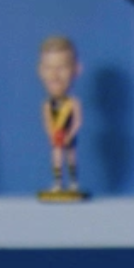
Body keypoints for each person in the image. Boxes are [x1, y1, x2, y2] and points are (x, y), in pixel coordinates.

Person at [38, 35, 84, 199]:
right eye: (49, 68)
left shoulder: (73, 103)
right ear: (41, 71)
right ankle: (58, 183)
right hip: (57, 136)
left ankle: (73, 183)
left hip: (68, 136)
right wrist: (52, 134)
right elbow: (47, 122)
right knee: (56, 157)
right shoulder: (47, 105)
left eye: (62, 68)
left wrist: (70, 134)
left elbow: (77, 121)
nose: (55, 75)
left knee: (71, 157)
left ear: (76, 70)